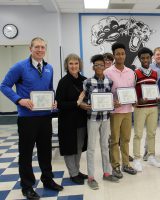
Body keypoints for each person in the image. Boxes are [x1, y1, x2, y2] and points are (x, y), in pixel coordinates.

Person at [0, 37, 63, 199]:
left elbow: (50, 89)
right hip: (27, 118)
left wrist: (53, 100)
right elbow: (4, 86)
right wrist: (19, 100)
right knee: (26, 153)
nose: (40, 50)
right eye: (37, 47)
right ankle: (27, 186)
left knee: (45, 151)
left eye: (43, 47)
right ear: (30, 48)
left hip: (45, 117)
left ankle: (47, 179)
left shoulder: (49, 68)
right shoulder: (19, 67)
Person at [82, 54, 119, 190]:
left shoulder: (109, 81)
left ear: (105, 66)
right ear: (93, 67)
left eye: (101, 65)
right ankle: (91, 177)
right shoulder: (87, 82)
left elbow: (110, 99)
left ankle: (107, 173)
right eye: (96, 65)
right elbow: (83, 99)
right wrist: (84, 104)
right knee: (91, 148)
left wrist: (115, 103)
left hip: (105, 118)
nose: (99, 67)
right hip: (92, 119)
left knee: (105, 146)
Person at [104, 43, 137, 178]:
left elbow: (132, 89)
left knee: (126, 139)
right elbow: (104, 92)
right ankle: (115, 166)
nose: (120, 56)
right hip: (115, 113)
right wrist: (112, 101)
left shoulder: (131, 72)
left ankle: (126, 164)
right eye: (117, 54)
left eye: (122, 53)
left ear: (125, 55)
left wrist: (134, 98)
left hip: (128, 111)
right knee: (114, 140)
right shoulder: (107, 72)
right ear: (114, 55)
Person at [55, 54, 88, 185]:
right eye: (71, 64)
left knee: (79, 147)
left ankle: (77, 170)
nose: (74, 66)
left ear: (79, 65)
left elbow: (88, 98)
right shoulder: (63, 82)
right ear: (66, 66)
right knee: (70, 148)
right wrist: (77, 103)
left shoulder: (85, 80)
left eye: (76, 63)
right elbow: (60, 104)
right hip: (68, 121)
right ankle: (73, 173)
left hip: (81, 120)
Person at [132, 47, 160, 172]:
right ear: (139, 59)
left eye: (147, 57)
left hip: (153, 107)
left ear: (151, 58)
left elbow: (156, 88)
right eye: (142, 58)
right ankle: (137, 159)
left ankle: (151, 156)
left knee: (152, 133)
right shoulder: (135, 73)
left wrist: (158, 96)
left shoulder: (155, 73)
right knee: (138, 134)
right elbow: (131, 90)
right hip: (140, 108)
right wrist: (138, 100)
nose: (145, 60)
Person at [143, 47, 160, 161]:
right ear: (154, 56)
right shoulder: (149, 67)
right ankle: (147, 151)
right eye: (157, 54)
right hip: (152, 102)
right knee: (151, 129)